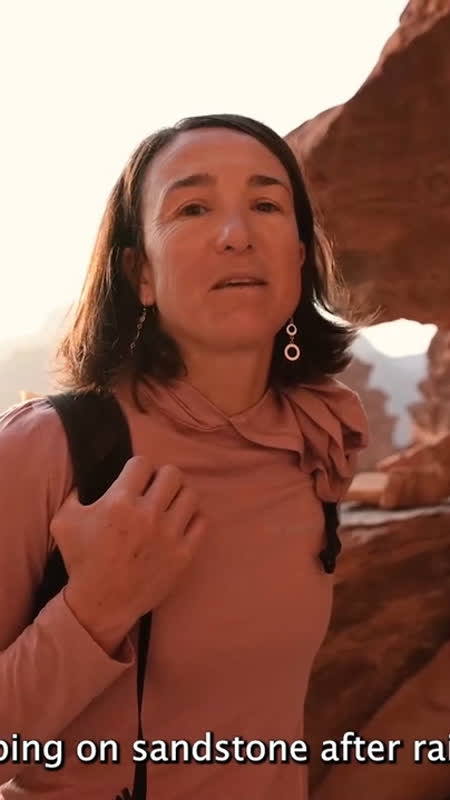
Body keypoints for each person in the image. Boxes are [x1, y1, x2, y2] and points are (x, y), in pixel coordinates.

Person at [0, 113, 369, 800]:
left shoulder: (314, 439)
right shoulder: (50, 450)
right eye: (193, 208)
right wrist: (92, 613)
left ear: (297, 256)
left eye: (266, 205)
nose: (237, 234)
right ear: (139, 272)